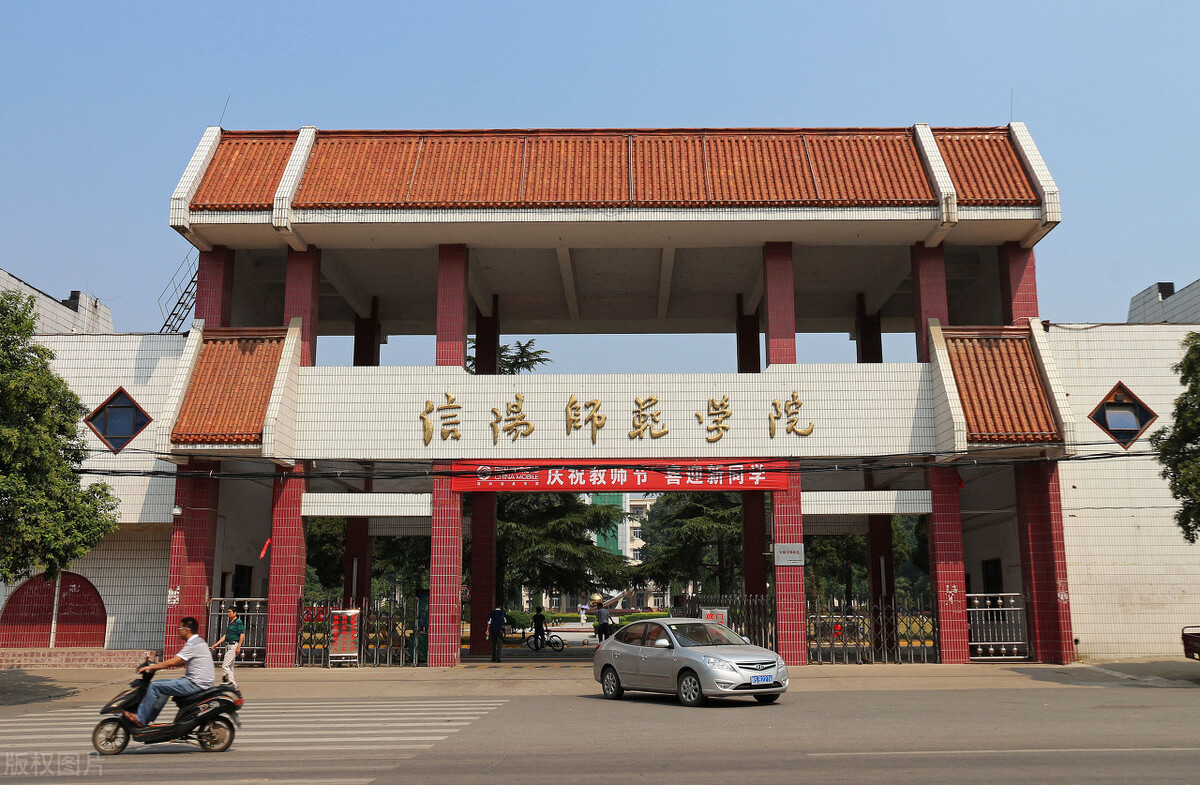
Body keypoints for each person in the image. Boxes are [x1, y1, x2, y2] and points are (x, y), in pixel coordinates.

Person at [125, 616, 214, 727]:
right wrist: (158, 666)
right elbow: (180, 662)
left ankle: (140, 718)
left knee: (154, 686)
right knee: (163, 688)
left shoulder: (192, 644)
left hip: (195, 684)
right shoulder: (200, 642)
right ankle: (148, 718)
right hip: (200, 682)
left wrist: (153, 667)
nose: (178, 631)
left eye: (180, 629)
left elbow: (174, 661)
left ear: (187, 630)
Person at [211, 606, 244, 690]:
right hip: (228, 645)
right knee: (230, 667)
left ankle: (232, 684)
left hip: (233, 645)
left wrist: (239, 647)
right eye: (228, 612)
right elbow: (226, 635)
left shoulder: (238, 622)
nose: (228, 613)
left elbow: (242, 634)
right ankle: (233, 686)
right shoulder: (231, 623)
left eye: (230, 612)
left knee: (225, 666)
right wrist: (217, 644)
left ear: (235, 613)